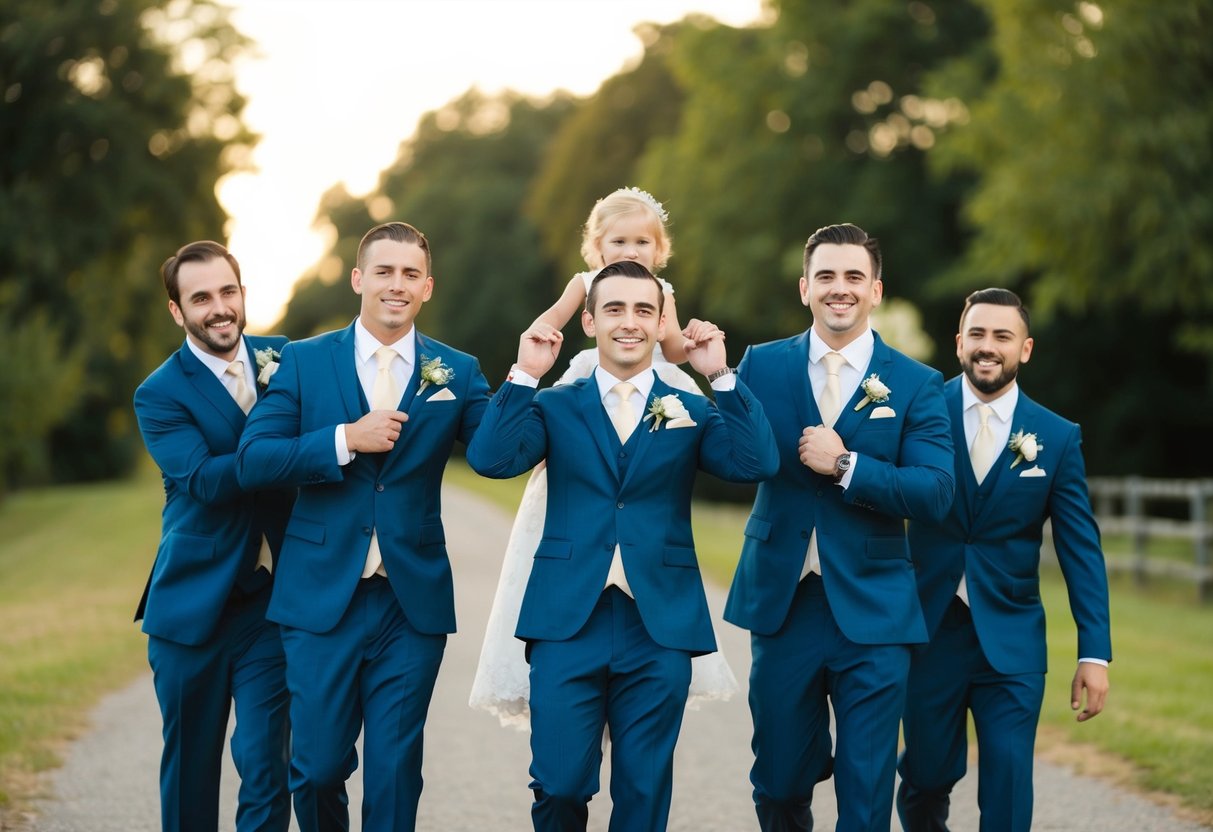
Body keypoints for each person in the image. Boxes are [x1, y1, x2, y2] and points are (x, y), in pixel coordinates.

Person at [467, 259, 779, 831]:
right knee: (560, 786)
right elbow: (490, 459)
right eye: (614, 309)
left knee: (643, 791)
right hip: (565, 621)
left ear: (661, 323)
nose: (629, 322)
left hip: (660, 623)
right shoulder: (555, 404)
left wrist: (721, 374)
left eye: (643, 310)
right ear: (590, 322)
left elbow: (756, 461)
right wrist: (524, 374)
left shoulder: (691, 408)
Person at [235, 222, 490, 832]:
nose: (396, 285)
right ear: (358, 279)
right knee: (317, 769)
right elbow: (254, 459)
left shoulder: (457, 371)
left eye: (410, 274)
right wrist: (345, 438)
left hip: (410, 602)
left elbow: (498, 455)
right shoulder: (303, 361)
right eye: (384, 271)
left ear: (427, 287)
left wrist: (531, 374)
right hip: (319, 599)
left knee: (395, 771)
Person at [469, 187, 738, 729]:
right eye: (619, 242)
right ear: (595, 249)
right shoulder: (584, 288)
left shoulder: (662, 297)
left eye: (642, 242)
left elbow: (673, 349)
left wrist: (701, 354)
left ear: (660, 250)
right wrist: (529, 366)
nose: (630, 251)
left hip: (656, 379)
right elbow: (551, 320)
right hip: (592, 375)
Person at [723, 223, 955, 831]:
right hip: (784, 603)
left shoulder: (916, 383)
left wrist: (848, 465)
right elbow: (732, 454)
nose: (839, 288)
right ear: (805, 288)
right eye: (825, 276)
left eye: (854, 276)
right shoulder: (761, 365)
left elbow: (936, 491)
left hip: (876, 611)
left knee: (866, 789)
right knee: (779, 782)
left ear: (875, 290)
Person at [896, 288, 1112, 832]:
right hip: (928, 630)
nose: (988, 346)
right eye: (977, 334)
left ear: (1025, 348)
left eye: (1002, 336)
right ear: (959, 343)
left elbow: (1081, 550)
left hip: (1013, 641)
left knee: (1010, 781)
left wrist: (1095, 653)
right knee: (925, 776)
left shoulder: (1057, 437)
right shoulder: (919, 412)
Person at [133, 240, 292, 832]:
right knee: (191, 775)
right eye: (200, 298)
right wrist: (314, 450)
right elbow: (205, 480)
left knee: (268, 766)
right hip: (191, 608)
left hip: (268, 606)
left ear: (243, 294)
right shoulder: (158, 393)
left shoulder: (287, 359)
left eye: (228, 292)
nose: (219, 308)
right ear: (177, 311)